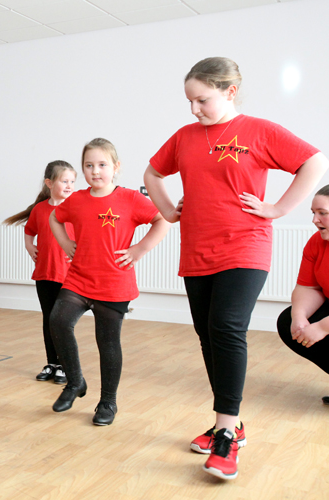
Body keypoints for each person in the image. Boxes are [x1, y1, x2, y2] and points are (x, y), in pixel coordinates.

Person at [144, 56, 328, 480]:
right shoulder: (186, 136)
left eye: (202, 100)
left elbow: (314, 163)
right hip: (196, 250)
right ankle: (231, 421)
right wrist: (170, 211)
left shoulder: (259, 131)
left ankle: (226, 433)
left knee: (226, 326)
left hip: (246, 246)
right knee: (208, 333)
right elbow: (152, 174)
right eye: (189, 101)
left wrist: (278, 208)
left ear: (229, 91)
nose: (194, 110)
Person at [49, 138, 169, 426]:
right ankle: (75, 382)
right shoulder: (76, 199)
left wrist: (139, 249)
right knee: (58, 321)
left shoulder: (130, 199)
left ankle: (107, 402)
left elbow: (162, 220)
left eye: (102, 165)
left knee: (108, 343)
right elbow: (55, 217)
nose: (95, 171)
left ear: (116, 167)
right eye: (88, 165)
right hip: (78, 279)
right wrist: (65, 242)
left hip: (114, 283)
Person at [4, 160, 76, 385]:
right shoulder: (40, 209)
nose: (69, 185)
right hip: (45, 274)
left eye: (72, 181)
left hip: (69, 276)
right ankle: (52, 363)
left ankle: (66, 366)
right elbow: (29, 230)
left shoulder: (74, 207)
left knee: (63, 322)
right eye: (64, 181)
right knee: (48, 319)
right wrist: (29, 245)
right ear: (49, 183)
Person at [277, 185, 329, 404]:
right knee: (287, 320)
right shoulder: (317, 242)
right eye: (313, 213)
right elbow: (309, 287)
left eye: (322, 213)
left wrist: (322, 327)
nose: (315, 220)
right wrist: (299, 318)